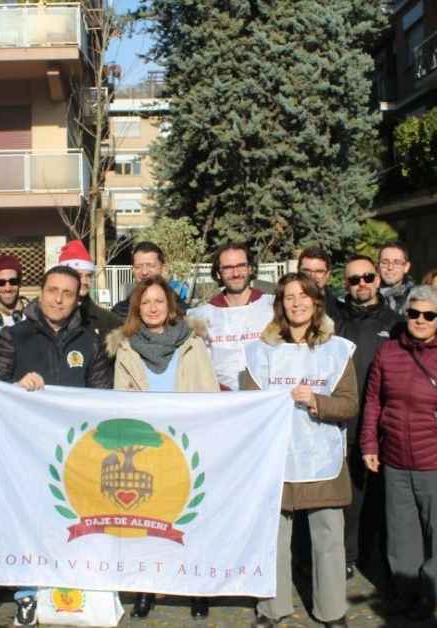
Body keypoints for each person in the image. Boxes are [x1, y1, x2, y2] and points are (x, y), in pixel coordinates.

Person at [0, 265, 114, 626]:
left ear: (77, 299)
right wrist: (15, 388)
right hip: (26, 451)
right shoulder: (14, 337)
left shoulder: (92, 341)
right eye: (52, 290)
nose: (58, 299)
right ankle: (27, 595)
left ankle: (77, 596)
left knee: (73, 525)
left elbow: (102, 398)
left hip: (77, 454)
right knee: (29, 524)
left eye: (68, 293)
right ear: (41, 292)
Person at [241, 273, 356, 628]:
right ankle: (272, 608)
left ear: (316, 302)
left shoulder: (337, 350)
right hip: (275, 459)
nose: (296, 303)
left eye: (303, 296)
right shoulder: (260, 352)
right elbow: (248, 404)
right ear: (280, 304)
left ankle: (332, 610)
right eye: (289, 297)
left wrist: (317, 400)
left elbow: (350, 404)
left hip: (322, 458)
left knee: (328, 539)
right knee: (273, 538)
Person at [105, 275, 219, 619]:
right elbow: (119, 399)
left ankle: (195, 588)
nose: (152, 308)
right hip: (147, 449)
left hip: (188, 446)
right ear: (137, 309)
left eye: (159, 301)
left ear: (170, 306)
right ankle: (146, 587)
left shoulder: (192, 343)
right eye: (145, 302)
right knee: (148, 521)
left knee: (191, 519)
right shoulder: (125, 347)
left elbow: (209, 393)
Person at [360, 285, 437, 620]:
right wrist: (369, 443)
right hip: (394, 457)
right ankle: (404, 589)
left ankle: (434, 591)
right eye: (414, 313)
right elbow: (373, 402)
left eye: (429, 315)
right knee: (400, 531)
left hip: (436, 461)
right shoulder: (388, 353)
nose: (420, 320)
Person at [332, 254, 402, 577]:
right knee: (350, 493)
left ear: (377, 279)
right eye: (353, 279)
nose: (361, 284)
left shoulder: (394, 322)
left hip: (383, 420)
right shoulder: (335, 321)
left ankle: (378, 555)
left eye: (368, 277)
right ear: (345, 284)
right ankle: (347, 553)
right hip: (344, 418)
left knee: (380, 492)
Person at [188, 243, 275, 391]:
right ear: (218, 273)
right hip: (221, 402)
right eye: (228, 268)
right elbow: (196, 367)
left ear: (250, 268)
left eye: (241, 266)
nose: (235, 273)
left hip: (268, 400)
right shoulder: (199, 317)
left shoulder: (273, 306)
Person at [57, 239, 121, 341]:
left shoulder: (109, 321)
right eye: (79, 275)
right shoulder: (46, 317)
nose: (84, 281)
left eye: (88, 275)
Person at [112, 241, 181, 319]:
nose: (144, 272)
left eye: (151, 266)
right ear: (133, 270)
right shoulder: (120, 312)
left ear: (163, 269)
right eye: (138, 266)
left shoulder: (180, 310)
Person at [298, 246, 340, 322]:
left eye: (319, 271)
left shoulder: (340, 311)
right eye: (306, 270)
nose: (312, 276)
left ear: (327, 274)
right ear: (298, 272)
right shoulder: (283, 306)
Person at [377, 243, 414, 315]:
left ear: (406, 267)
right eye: (385, 262)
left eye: (397, 263)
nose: (390, 267)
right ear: (378, 266)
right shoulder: (369, 295)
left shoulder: (415, 297)